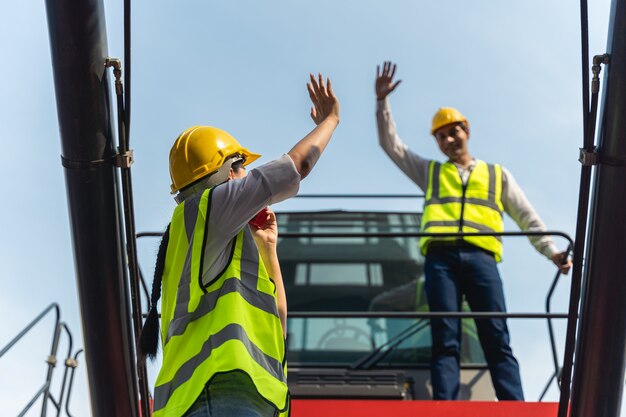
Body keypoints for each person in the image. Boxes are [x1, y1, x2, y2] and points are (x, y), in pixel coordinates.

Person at [140, 73, 340, 417]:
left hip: (229, 400)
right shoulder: (212, 208)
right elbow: (294, 168)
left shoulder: (201, 237)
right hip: (219, 396)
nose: (247, 175)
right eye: (242, 166)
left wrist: (268, 248)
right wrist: (331, 119)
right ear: (226, 175)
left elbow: (275, 326)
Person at [374, 61, 572, 401]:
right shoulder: (430, 173)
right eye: (442, 136)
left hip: (482, 259)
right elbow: (393, 147)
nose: (449, 139)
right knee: (445, 336)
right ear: (437, 143)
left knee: (496, 335)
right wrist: (382, 104)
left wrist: (550, 250)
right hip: (441, 260)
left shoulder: (497, 176)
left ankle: (514, 404)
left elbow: (526, 215)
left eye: (454, 131)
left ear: (467, 131)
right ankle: (445, 405)